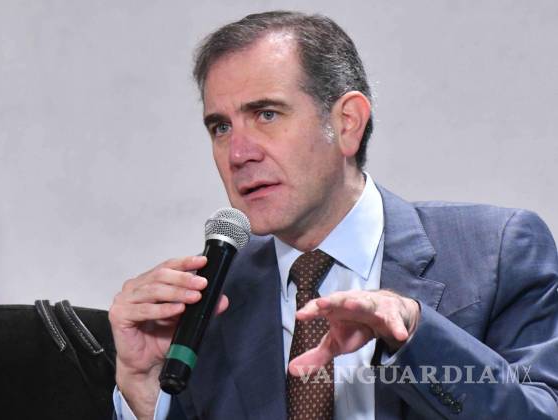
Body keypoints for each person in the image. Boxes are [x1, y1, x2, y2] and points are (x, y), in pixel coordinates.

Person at [108, 11, 558, 420]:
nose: (238, 154)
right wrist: (144, 391)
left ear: (347, 123)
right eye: (220, 127)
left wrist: (415, 333)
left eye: (266, 114)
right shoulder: (214, 299)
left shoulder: (496, 252)